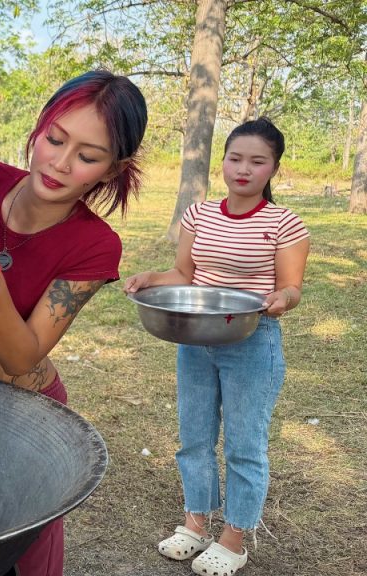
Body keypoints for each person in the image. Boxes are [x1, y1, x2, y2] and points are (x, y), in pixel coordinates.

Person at [0, 70, 149, 576]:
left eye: (88, 156)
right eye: (55, 140)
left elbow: (21, 356)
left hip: (28, 413)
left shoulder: (95, 245)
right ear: (39, 129)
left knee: (19, 549)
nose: (60, 163)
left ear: (112, 169)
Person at [124, 117, 309, 576]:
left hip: (251, 339)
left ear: (274, 168)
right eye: (235, 158)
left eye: (257, 161)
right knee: (195, 437)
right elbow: (183, 275)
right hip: (196, 340)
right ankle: (195, 524)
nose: (243, 169)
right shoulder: (199, 214)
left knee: (244, 446)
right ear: (223, 161)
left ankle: (234, 539)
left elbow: (291, 288)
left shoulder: (284, 223)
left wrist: (282, 299)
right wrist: (151, 277)